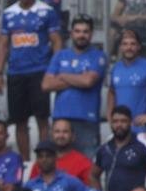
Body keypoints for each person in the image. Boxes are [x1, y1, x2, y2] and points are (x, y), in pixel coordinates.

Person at [0, 0, 61, 160]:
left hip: (39, 71)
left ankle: (44, 156)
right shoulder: (9, 13)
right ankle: (25, 162)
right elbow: (3, 44)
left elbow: (56, 40)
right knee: (19, 121)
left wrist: (54, 68)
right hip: (16, 72)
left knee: (42, 118)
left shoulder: (46, 11)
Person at [41, 15, 106, 157]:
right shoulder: (60, 55)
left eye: (85, 31)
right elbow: (46, 85)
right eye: (77, 31)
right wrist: (79, 78)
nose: (81, 35)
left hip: (86, 121)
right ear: (71, 33)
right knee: (59, 167)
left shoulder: (98, 56)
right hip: (61, 120)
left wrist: (63, 75)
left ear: (91, 34)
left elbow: (88, 82)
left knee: (87, 168)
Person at [27, 118, 94, 187]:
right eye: (57, 132)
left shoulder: (84, 163)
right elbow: (30, 189)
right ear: (51, 135)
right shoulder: (42, 161)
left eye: (65, 132)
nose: (61, 135)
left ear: (73, 136)